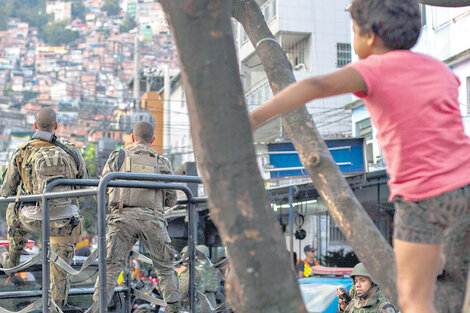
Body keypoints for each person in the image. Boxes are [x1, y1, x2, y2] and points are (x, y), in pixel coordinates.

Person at [249, 1, 470, 312]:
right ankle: (438, 258)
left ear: (369, 37)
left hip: (422, 196)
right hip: (465, 186)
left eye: (353, 31)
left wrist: (254, 118)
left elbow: (313, 86)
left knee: (413, 299)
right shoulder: (438, 68)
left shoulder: (374, 68)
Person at [0, 107, 87, 312]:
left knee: (13, 207)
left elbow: (6, 190)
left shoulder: (22, 151)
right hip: (64, 221)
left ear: (34, 126)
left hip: (32, 218)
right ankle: (57, 303)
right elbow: (83, 182)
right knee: (60, 270)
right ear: (56, 126)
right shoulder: (71, 150)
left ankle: (13, 255)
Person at [91, 121, 181, 313]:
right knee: (165, 269)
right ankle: (175, 309)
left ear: (132, 137)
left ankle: (98, 309)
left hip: (122, 219)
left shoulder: (119, 156)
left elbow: (101, 189)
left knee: (110, 268)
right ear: (153, 140)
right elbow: (172, 199)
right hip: (153, 220)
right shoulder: (162, 162)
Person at [179, 245, 222, 313]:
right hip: (212, 303)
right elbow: (218, 288)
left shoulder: (193, 269)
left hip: (197, 304)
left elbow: (184, 289)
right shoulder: (214, 269)